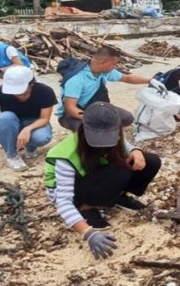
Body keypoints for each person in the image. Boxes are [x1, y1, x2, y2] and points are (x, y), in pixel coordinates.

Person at [44, 102, 161, 259]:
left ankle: (116, 196)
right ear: (84, 129)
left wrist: (136, 150)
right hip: (70, 193)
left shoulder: (118, 136)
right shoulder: (66, 154)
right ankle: (86, 208)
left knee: (151, 161)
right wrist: (88, 233)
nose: (103, 143)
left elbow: (125, 145)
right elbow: (62, 201)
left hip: (94, 178)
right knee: (120, 170)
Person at [56, 46, 167, 131]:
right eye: (113, 64)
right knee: (94, 129)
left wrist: (150, 81)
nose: (115, 67)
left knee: (126, 118)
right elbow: (70, 108)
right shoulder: (76, 79)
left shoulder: (103, 72)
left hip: (96, 108)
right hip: (71, 115)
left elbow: (127, 78)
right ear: (102, 62)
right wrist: (92, 119)